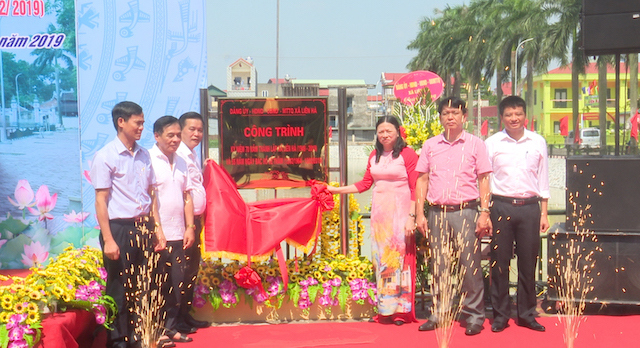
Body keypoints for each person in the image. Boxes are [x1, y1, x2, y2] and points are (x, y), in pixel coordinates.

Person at [327, 116, 418, 325]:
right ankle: (386, 309)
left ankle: (401, 311)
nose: (385, 135)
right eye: (381, 131)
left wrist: (412, 217)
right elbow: (365, 184)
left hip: (401, 213)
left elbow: (416, 187)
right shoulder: (375, 155)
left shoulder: (408, 154)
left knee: (398, 259)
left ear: (398, 131)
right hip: (380, 215)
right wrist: (335, 190)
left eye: (389, 131)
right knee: (381, 259)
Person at [90, 101, 167, 348]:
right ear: (121, 122)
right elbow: (101, 200)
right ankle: (116, 339)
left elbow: (151, 196)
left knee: (143, 284)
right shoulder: (105, 156)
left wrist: (157, 229)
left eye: (143, 123)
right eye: (138, 122)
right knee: (119, 287)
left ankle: (138, 335)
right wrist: (109, 239)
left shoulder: (145, 155)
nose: (141, 128)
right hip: (118, 229)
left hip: (143, 227)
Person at [414, 97, 492, 336]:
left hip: (466, 211)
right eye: (446, 113)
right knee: (440, 266)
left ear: (464, 117)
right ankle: (440, 312)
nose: (450, 117)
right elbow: (422, 180)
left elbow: (484, 179)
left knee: (470, 266)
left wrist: (484, 212)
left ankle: (474, 315)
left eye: (455, 113)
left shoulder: (476, 144)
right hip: (437, 212)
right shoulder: (430, 145)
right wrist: (419, 213)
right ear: (440, 117)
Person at [485, 96, 550, 333]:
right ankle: (500, 315)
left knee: (527, 263)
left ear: (525, 115)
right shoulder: (492, 143)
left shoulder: (538, 141)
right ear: (501, 117)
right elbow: (485, 180)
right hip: (500, 206)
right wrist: (485, 212)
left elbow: (542, 179)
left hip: (530, 208)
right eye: (509, 115)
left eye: (518, 114)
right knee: (499, 264)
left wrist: (543, 212)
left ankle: (526, 314)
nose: (514, 118)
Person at [149, 116, 196, 345]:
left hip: (179, 234)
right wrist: (157, 230)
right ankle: (155, 331)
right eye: (171, 135)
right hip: (157, 236)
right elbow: (149, 199)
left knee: (177, 285)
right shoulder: (147, 159)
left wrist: (190, 227)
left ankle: (170, 327)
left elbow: (187, 196)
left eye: (178, 135)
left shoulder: (182, 161)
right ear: (157, 136)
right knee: (157, 285)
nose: (176, 139)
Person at [176, 112, 210, 331]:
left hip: (195, 221)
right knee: (179, 272)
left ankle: (184, 315)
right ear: (181, 130)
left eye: (200, 130)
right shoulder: (177, 155)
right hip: (182, 222)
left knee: (190, 270)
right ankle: (175, 320)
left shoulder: (191, 155)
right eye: (192, 129)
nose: (196, 134)